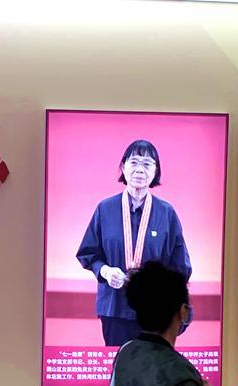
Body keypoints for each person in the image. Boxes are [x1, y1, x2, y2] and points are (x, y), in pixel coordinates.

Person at [77, 139, 192, 347]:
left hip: (154, 310)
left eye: (147, 164)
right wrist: (105, 271)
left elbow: (181, 267)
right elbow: (89, 253)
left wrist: (159, 287)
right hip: (114, 307)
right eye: (134, 162)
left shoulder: (166, 213)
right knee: (119, 362)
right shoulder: (105, 209)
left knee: (153, 364)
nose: (140, 169)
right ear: (123, 167)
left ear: (156, 171)